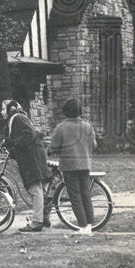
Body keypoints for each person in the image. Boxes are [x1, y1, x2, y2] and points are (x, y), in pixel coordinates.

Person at [49, 98, 97, 235]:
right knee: (86, 195)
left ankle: (82, 226)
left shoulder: (61, 127)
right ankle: (89, 225)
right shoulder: (87, 126)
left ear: (65, 111)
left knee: (75, 196)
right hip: (85, 164)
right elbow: (94, 146)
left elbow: (54, 147)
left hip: (69, 166)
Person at [1, 99, 50, 233]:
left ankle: (36, 222)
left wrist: (13, 143)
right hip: (34, 156)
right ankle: (44, 217)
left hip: (31, 158)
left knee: (35, 189)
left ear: (10, 110)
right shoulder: (19, 117)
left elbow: (29, 134)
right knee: (40, 189)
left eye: (3, 109)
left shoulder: (17, 118)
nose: (1, 112)